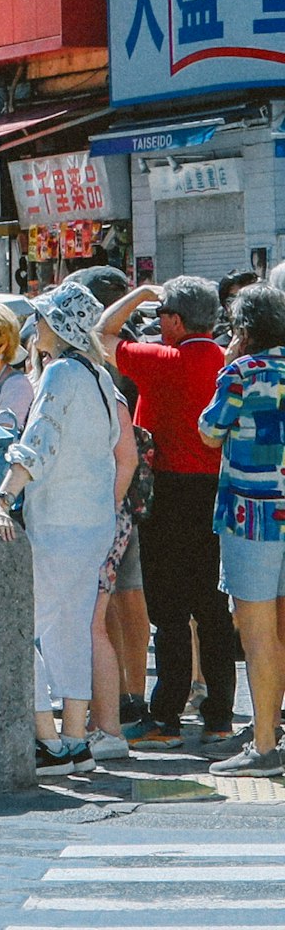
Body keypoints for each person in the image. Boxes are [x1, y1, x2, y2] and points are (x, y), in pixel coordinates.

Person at [0, 283, 134, 771]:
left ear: (60, 327)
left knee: (24, 628)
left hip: (58, 524)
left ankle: (48, 739)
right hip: (94, 523)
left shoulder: (61, 373)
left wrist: (2, 497)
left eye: (43, 319)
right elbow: (115, 450)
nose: (35, 327)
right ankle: (73, 737)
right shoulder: (99, 375)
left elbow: (38, 441)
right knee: (69, 629)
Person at [114, 277, 241, 745]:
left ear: (175, 320)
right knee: (211, 606)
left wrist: (138, 294)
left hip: (167, 488)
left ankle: (166, 717)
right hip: (215, 488)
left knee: (167, 610)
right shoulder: (225, 358)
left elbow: (103, 336)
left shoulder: (163, 359)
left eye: (162, 312)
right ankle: (220, 717)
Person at [195, 282, 285, 776]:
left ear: (245, 330)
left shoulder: (240, 373)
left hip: (251, 516)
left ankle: (265, 743)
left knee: (256, 636)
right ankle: (274, 731)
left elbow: (209, 432)